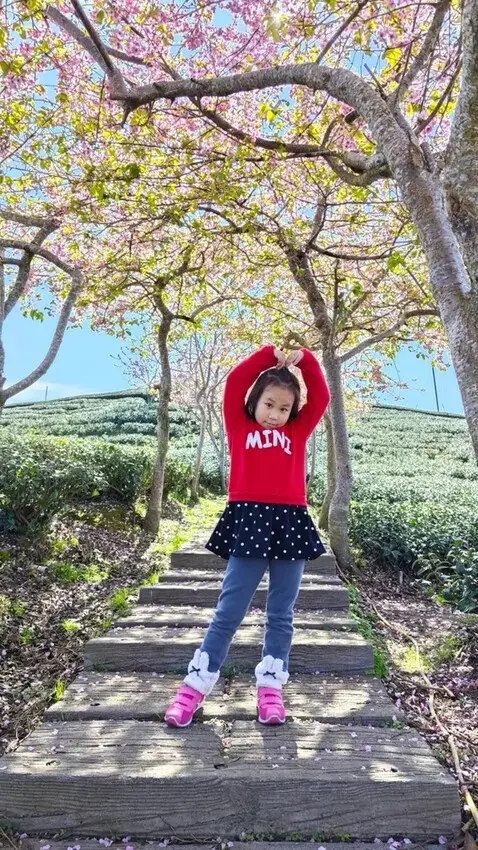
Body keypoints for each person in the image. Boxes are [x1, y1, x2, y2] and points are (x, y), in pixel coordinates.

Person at [164, 343, 330, 727]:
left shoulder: (298, 431)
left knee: (281, 612)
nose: (275, 414)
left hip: (290, 523)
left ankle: (271, 688)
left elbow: (321, 395)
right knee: (230, 609)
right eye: (269, 404)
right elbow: (236, 380)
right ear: (256, 401)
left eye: (284, 408)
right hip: (250, 521)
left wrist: (305, 358)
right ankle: (194, 687)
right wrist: (270, 355)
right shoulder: (240, 426)